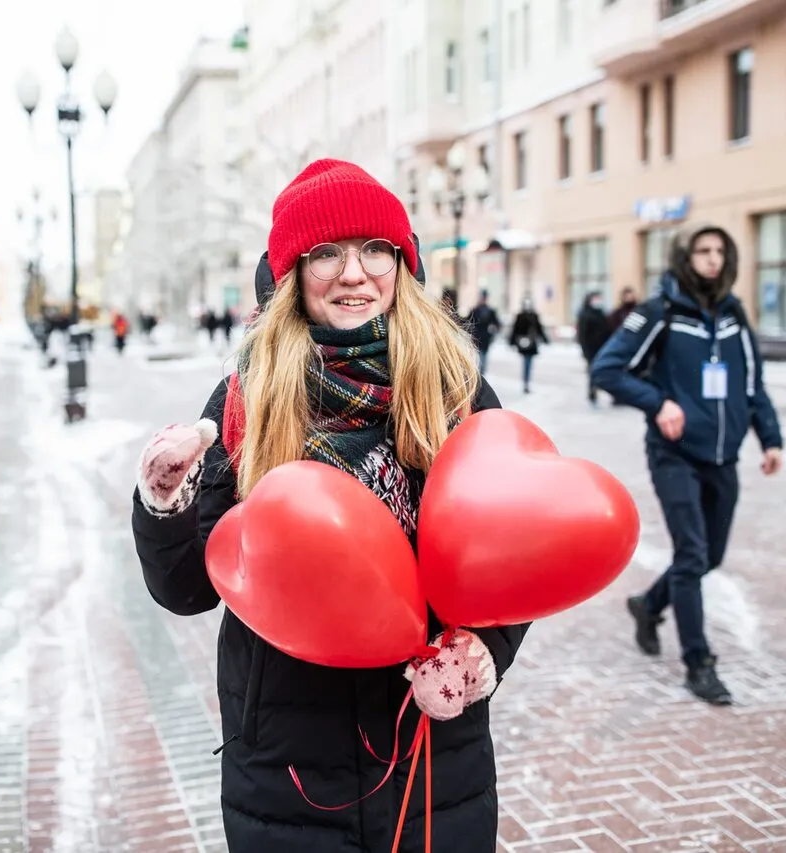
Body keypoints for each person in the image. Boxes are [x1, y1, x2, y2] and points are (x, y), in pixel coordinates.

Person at [131, 159, 529, 853]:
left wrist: (485, 653)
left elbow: (513, 557)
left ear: (402, 263)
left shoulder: (455, 391)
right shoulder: (246, 401)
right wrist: (164, 501)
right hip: (285, 772)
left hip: (435, 757)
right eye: (327, 253)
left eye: (375, 249)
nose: (355, 273)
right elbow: (187, 587)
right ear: (292, 274)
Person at [591, 223, 784, 706]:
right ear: (686, 256)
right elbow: (606, 369)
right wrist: (659, 403)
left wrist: (771, 439)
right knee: (693, 554)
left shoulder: (734, 314)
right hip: (674, 454)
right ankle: (699, 662)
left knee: (708, 557)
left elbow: (753, 384)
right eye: (703, 250)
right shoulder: (661, 311)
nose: (713, 258)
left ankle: (648, 604)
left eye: (721, 250)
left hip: (723, 457)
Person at [575, 292, 611, 405]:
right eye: (595, 298)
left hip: (602, 348)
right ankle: (592, 391)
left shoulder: (601, 313)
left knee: (601, 370)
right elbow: (582, 334)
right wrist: (584, 350)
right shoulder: (585, 314)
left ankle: (597, 388)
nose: (598, 301)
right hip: (590, 349)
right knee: (593, 371)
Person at [507, 296, 548, 394]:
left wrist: (545, 339)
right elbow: (515, 329)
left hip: (532, 344)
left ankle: (527, 381)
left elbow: (539, 328)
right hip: (523, 343)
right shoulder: (520, 316)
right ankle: (526, 382)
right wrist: (511, 341)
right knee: (526, 362)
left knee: (529, 363)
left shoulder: (534, 316)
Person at [467, 290, 501, 376]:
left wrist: (493, 333)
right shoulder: (475, 310)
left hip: (485, 338)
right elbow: (467, 322)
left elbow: (497, 324)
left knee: (484, 356)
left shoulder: (490, 311)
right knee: (477, 357)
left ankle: (481, 374)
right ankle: (477, 374)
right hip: (476, 337)